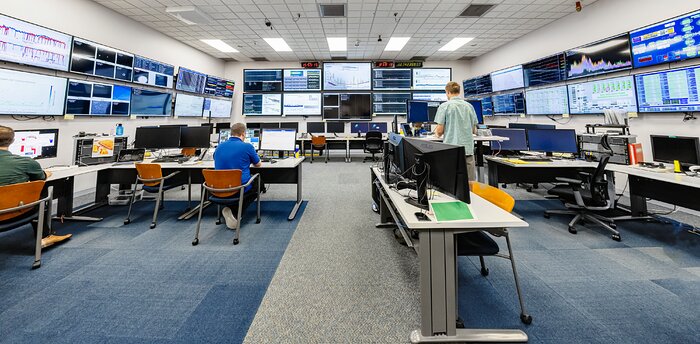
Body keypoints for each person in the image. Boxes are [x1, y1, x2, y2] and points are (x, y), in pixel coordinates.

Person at [0, 125, 71, 247]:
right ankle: (45, 236)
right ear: (12, 141)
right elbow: (41, 178)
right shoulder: (27, 162)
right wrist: (46, 173)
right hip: (18, 213)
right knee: (40, 192)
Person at [213, 123, 262, 229]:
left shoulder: (219, 147)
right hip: (238, 187)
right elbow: (258, 164)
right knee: (259, 183)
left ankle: (230, 208)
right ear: (243, 134)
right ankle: (235, 213)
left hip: (219, 188)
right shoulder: (247, 146)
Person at [434, 81, 479, 181]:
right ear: (458, 91)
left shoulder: (444, 106)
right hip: (467, 149)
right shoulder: (469, 106)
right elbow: (473, 129)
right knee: (470, 183)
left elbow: (440, 131)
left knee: (450, 181)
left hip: (451, 149)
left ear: (448, 92)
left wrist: (436, 134)